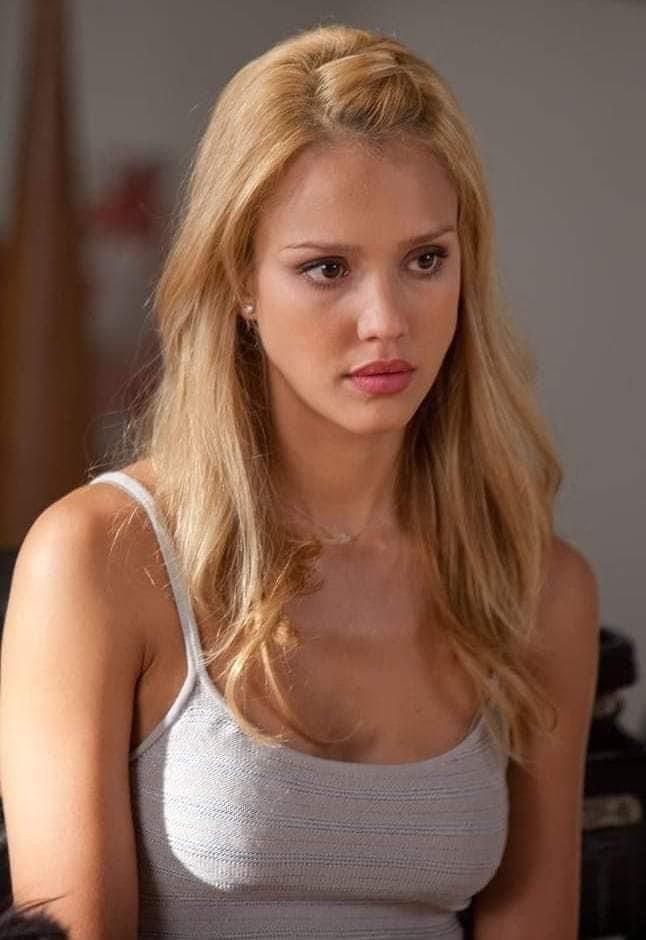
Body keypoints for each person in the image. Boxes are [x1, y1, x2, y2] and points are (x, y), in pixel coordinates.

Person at [0, 22, 599, 940]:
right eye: (326, 269)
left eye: (425, 259)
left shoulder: (537, 589)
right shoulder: (95, 561)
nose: (386, 320)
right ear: (239, 278)